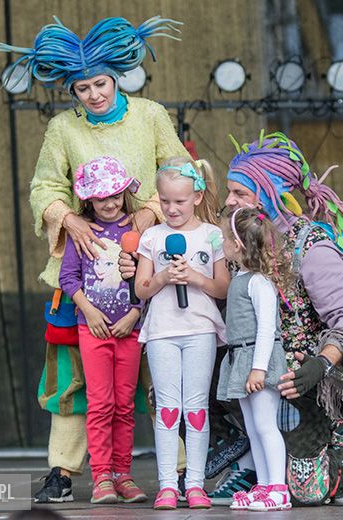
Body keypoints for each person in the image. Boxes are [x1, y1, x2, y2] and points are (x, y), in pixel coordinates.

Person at [0, 16, 189, 503]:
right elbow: (44, 186)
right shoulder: (62, 129)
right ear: (72, 90)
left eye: (100, 83)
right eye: (82, 87)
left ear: (117, 77)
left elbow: (181, 169)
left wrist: (148, 214)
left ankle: (183, 469)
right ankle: (63, 470)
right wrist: (69, 220)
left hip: (148, 267)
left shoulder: (149, 115)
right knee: (73, 376)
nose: (94, 94)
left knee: (162, 371)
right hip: (81, 272)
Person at [209, 131, 343, 506]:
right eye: (229, 191)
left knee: (307, 493)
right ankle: (251, 464)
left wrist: (320, 364)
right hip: (246, 368)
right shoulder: (231, 241)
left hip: (295, 383)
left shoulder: (309, 246)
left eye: (240, 193)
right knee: (176, 387)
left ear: (268, 195)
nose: (230, 200)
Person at [133, 158, 229, 510]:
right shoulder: (153, 237)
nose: (172, 209)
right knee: (168, 409)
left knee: (197, 408)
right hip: (161, 331)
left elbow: (222, 288)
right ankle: (167, 485)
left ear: (198, 197)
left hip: (200, 329)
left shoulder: (211, 235)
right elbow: (142, 289)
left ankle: (196, 484)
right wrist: (161, 278)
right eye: (165, 201)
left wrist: (196, 278)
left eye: (180, 201)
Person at [58, 156, 146, 503]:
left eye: (116, 195)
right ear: (88, 200)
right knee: (100, 404)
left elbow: (147, 279)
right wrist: (89, 311)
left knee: (124, 405)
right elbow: (68, 278)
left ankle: (123, 474)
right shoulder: (81, 231)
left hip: (129, 331)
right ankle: (102, 478)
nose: (110, 203)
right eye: (101, 197)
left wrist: (136, 312)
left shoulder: (137, 231)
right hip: (91, 330)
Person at [216, 207, 293, 512]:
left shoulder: (259, 282)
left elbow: (266, 330)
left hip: (256, 360)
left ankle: (278, 489)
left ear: (237, 244)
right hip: (241, 358)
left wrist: (258, 368)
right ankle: (263, 485)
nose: (221, 243)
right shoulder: (241, 277)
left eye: (224, 237)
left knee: (265, 426)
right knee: (253, 429)